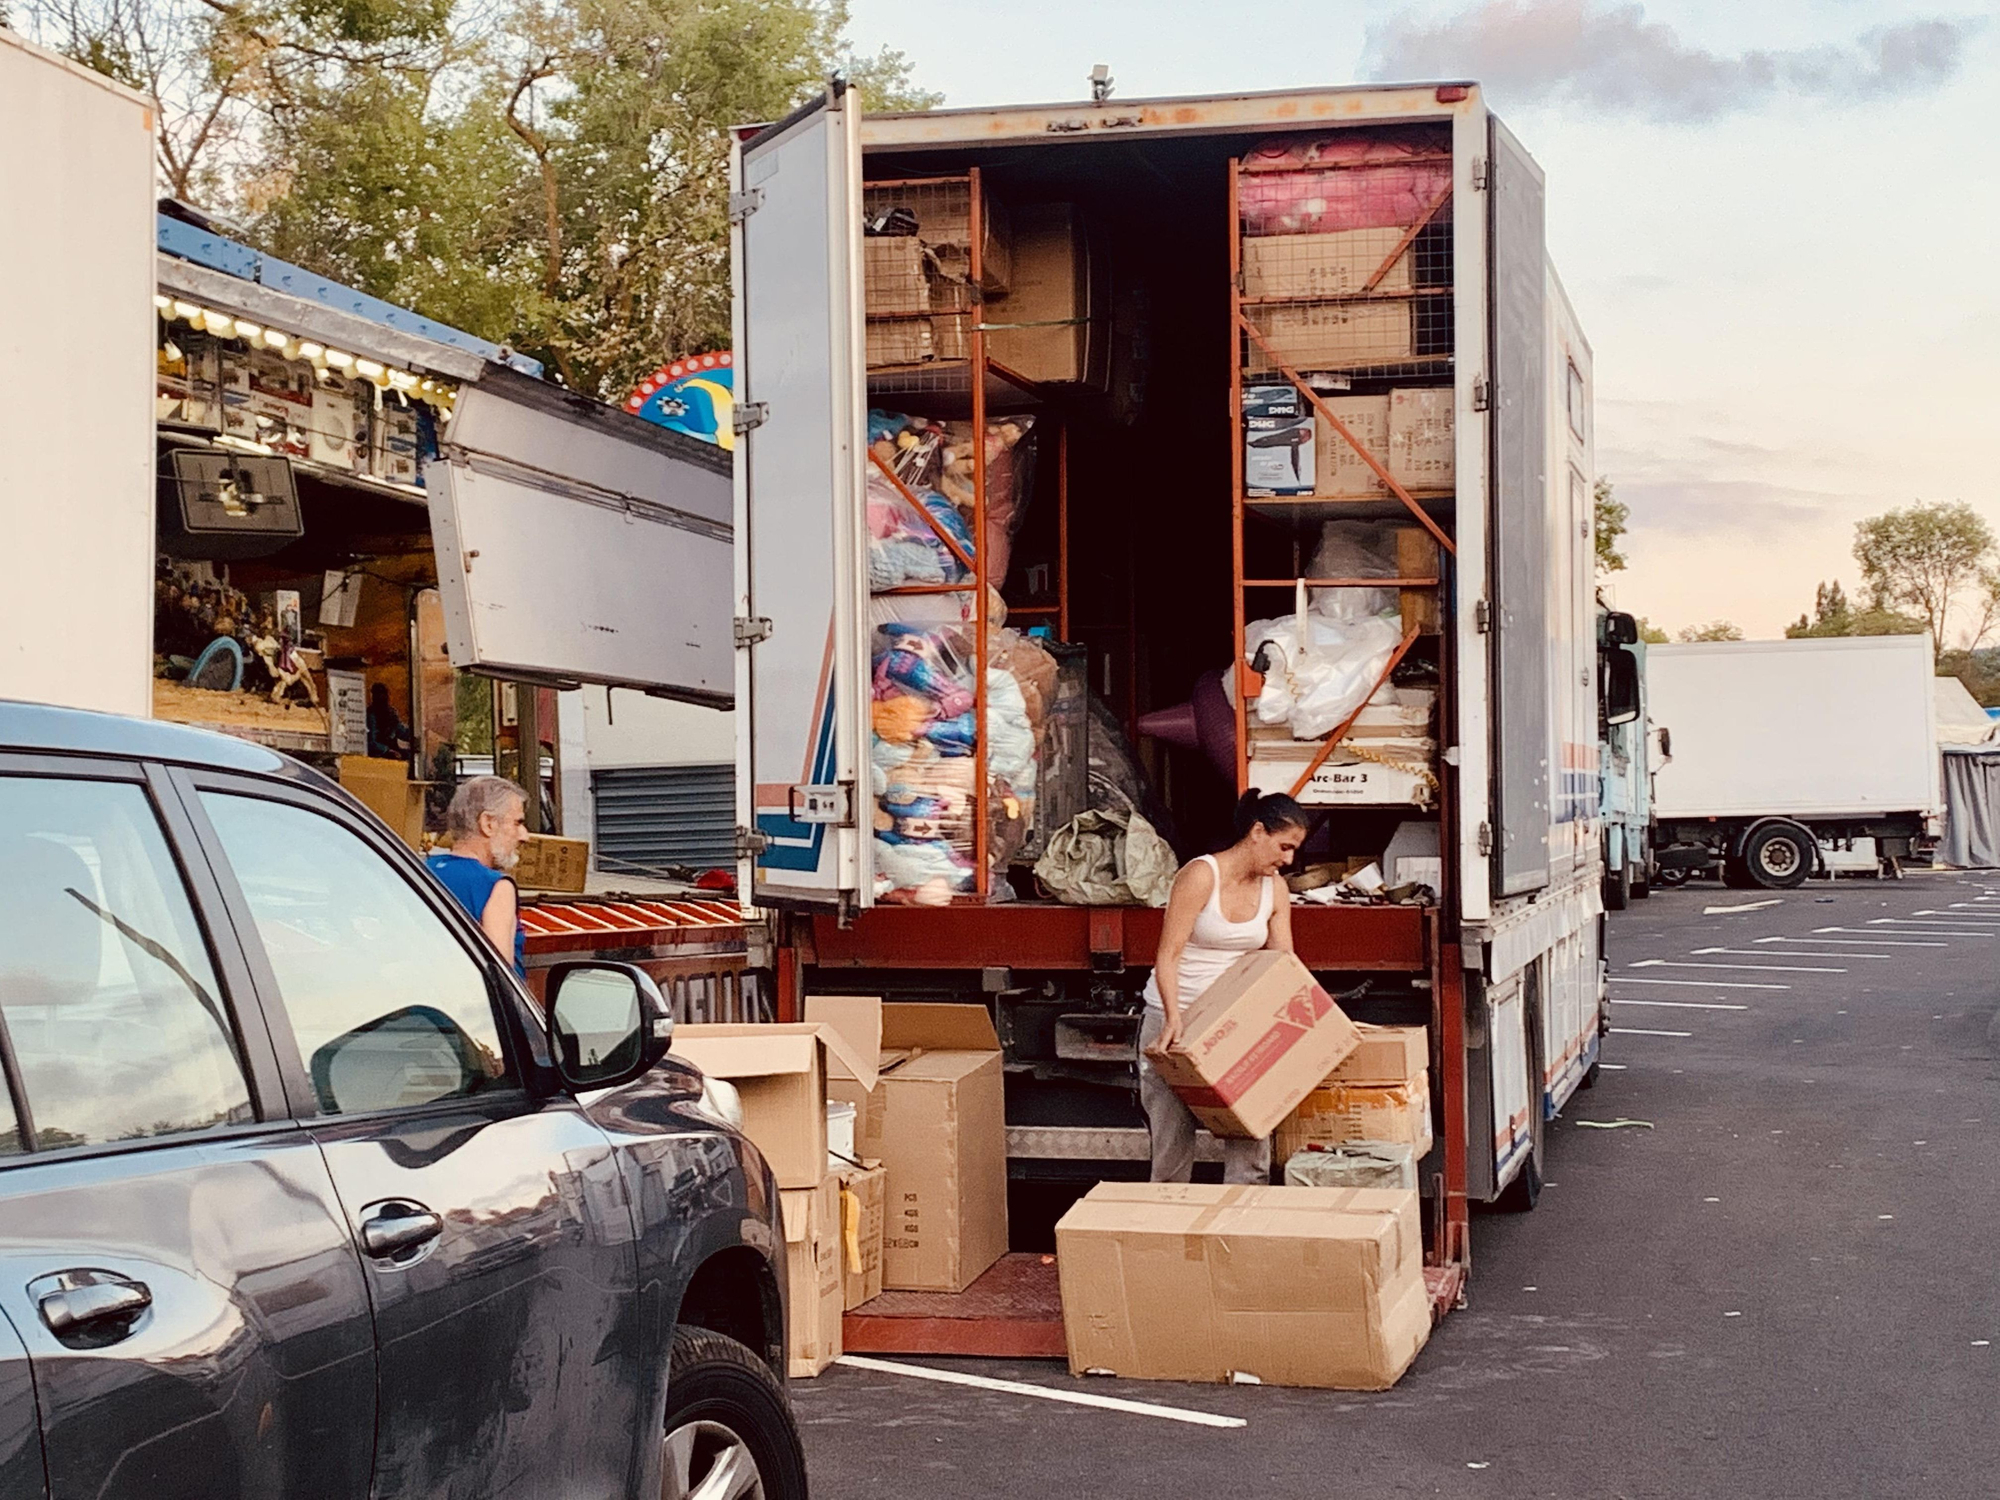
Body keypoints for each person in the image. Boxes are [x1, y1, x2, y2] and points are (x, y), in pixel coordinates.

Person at [1138, 790, 1308, 1184]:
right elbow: (1168, 955)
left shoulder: (1275, 889)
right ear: (1257, 832)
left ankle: (1242, 1218)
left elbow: (1283, 963)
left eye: (1294, 851)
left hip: (1234, 1024)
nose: (1288, 860)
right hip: (1176, 1017)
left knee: (1251, 1141)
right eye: (1284, 847)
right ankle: (1168, 1218)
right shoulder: (1201, 875)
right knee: (1172, 1144)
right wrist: (1173, 1018)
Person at [426, 776, 529, 979]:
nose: (524, 836)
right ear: (488, 823)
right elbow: (500, 978)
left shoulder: (422, 870)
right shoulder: (496, 887)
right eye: (517, 823)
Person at [367, 682, 413, 759]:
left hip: (392, 750)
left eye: (384, 694)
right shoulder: (371, 715)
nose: (383, 697)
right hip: (379, 754)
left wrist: (413, 735)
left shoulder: (391, 713)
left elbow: (400, 730)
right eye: (379, 694)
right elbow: (371, 743)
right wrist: (387, 750)